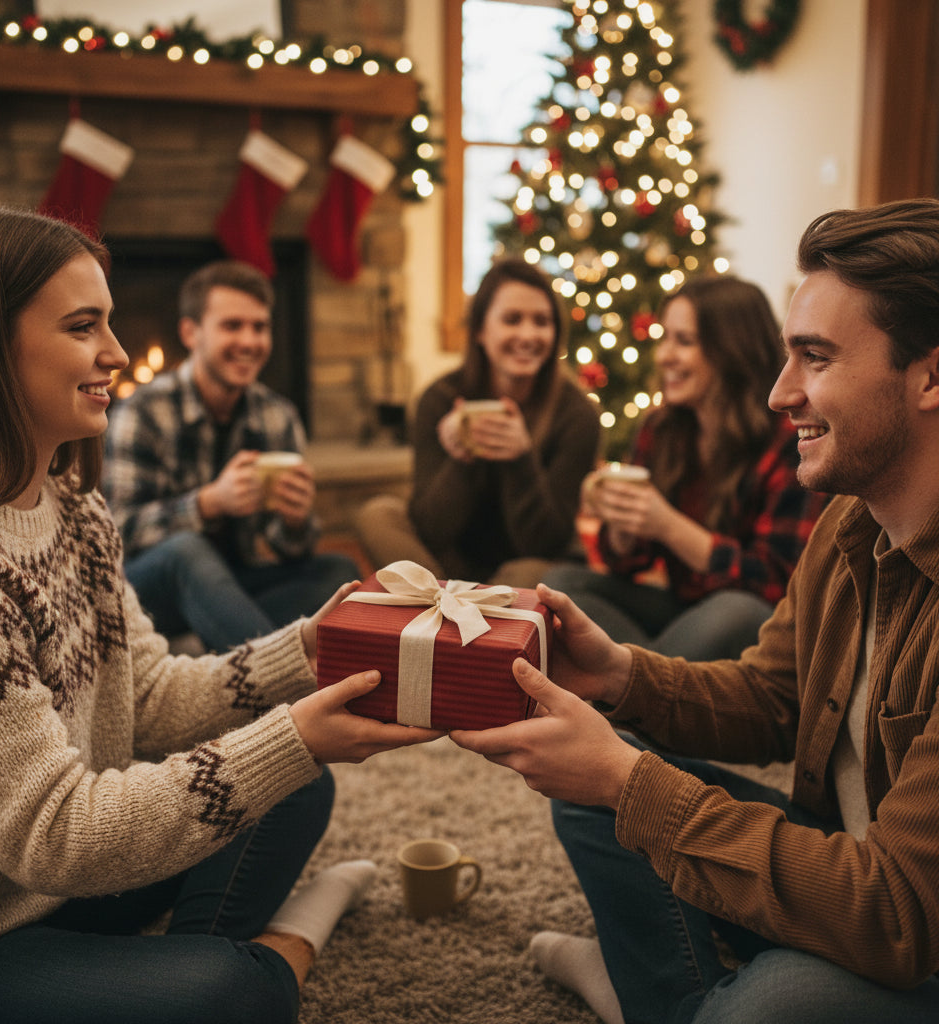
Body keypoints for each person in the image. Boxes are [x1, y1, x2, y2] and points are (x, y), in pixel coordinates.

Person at [0, 207, 441, 1023]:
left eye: (111, 323)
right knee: (229, 992)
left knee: (292, 786)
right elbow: (53, 831)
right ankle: (272, 949)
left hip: (61, 895)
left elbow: (149, 693)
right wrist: (295, 734)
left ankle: (165, 974)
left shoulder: (75, 512)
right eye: (84, 326)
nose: (117, 354)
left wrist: (310, 645)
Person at [450, 198, 939, 1023]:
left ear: (929, 375)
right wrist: (618, 676)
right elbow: (774, 699)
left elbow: (897, 916)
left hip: (901, 920)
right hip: (845, 859)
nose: (782, 393)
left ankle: (653, 995)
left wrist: (629, 781)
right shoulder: (850, 524)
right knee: (602, 777)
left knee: (768, 1004)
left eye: (815, 358)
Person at [543, 275, 830, 661]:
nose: (664, 356)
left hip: (754, 622)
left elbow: (779, 585)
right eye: (664, 339)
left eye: (684, 341)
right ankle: (649, 681)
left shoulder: (788, 438)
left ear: (731, 349)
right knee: (560, 585)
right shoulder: (661, 428)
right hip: (680, 609)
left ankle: (632, 687)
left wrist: (668, 526)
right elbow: (625, 563)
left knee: (737, 612)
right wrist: (625, 528)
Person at [102, 259, 359, 652]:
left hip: (232, 583)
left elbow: (289, 550)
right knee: (187, 551)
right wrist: (207, 504)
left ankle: (233, 637)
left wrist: (294, 523)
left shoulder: (277, 416)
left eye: (260, 327)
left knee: (339, 573)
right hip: (147, 592)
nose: (250, 342)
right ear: (191, 332)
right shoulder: (143, 412)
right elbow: (115, 533)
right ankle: (276, 684)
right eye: (232, 326)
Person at [356, 257, 601, 588]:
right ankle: (443, 602)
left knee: (530, 575)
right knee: (377, 515)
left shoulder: (577, 415)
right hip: (450, 563)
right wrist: (464, 457)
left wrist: (520, 459)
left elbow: (546, 543)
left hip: (534, 567)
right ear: (480, 331)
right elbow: (429, 527)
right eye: (512, 320)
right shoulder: (439, 399)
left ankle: (446, 611)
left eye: (542, 321)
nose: (528, 335)